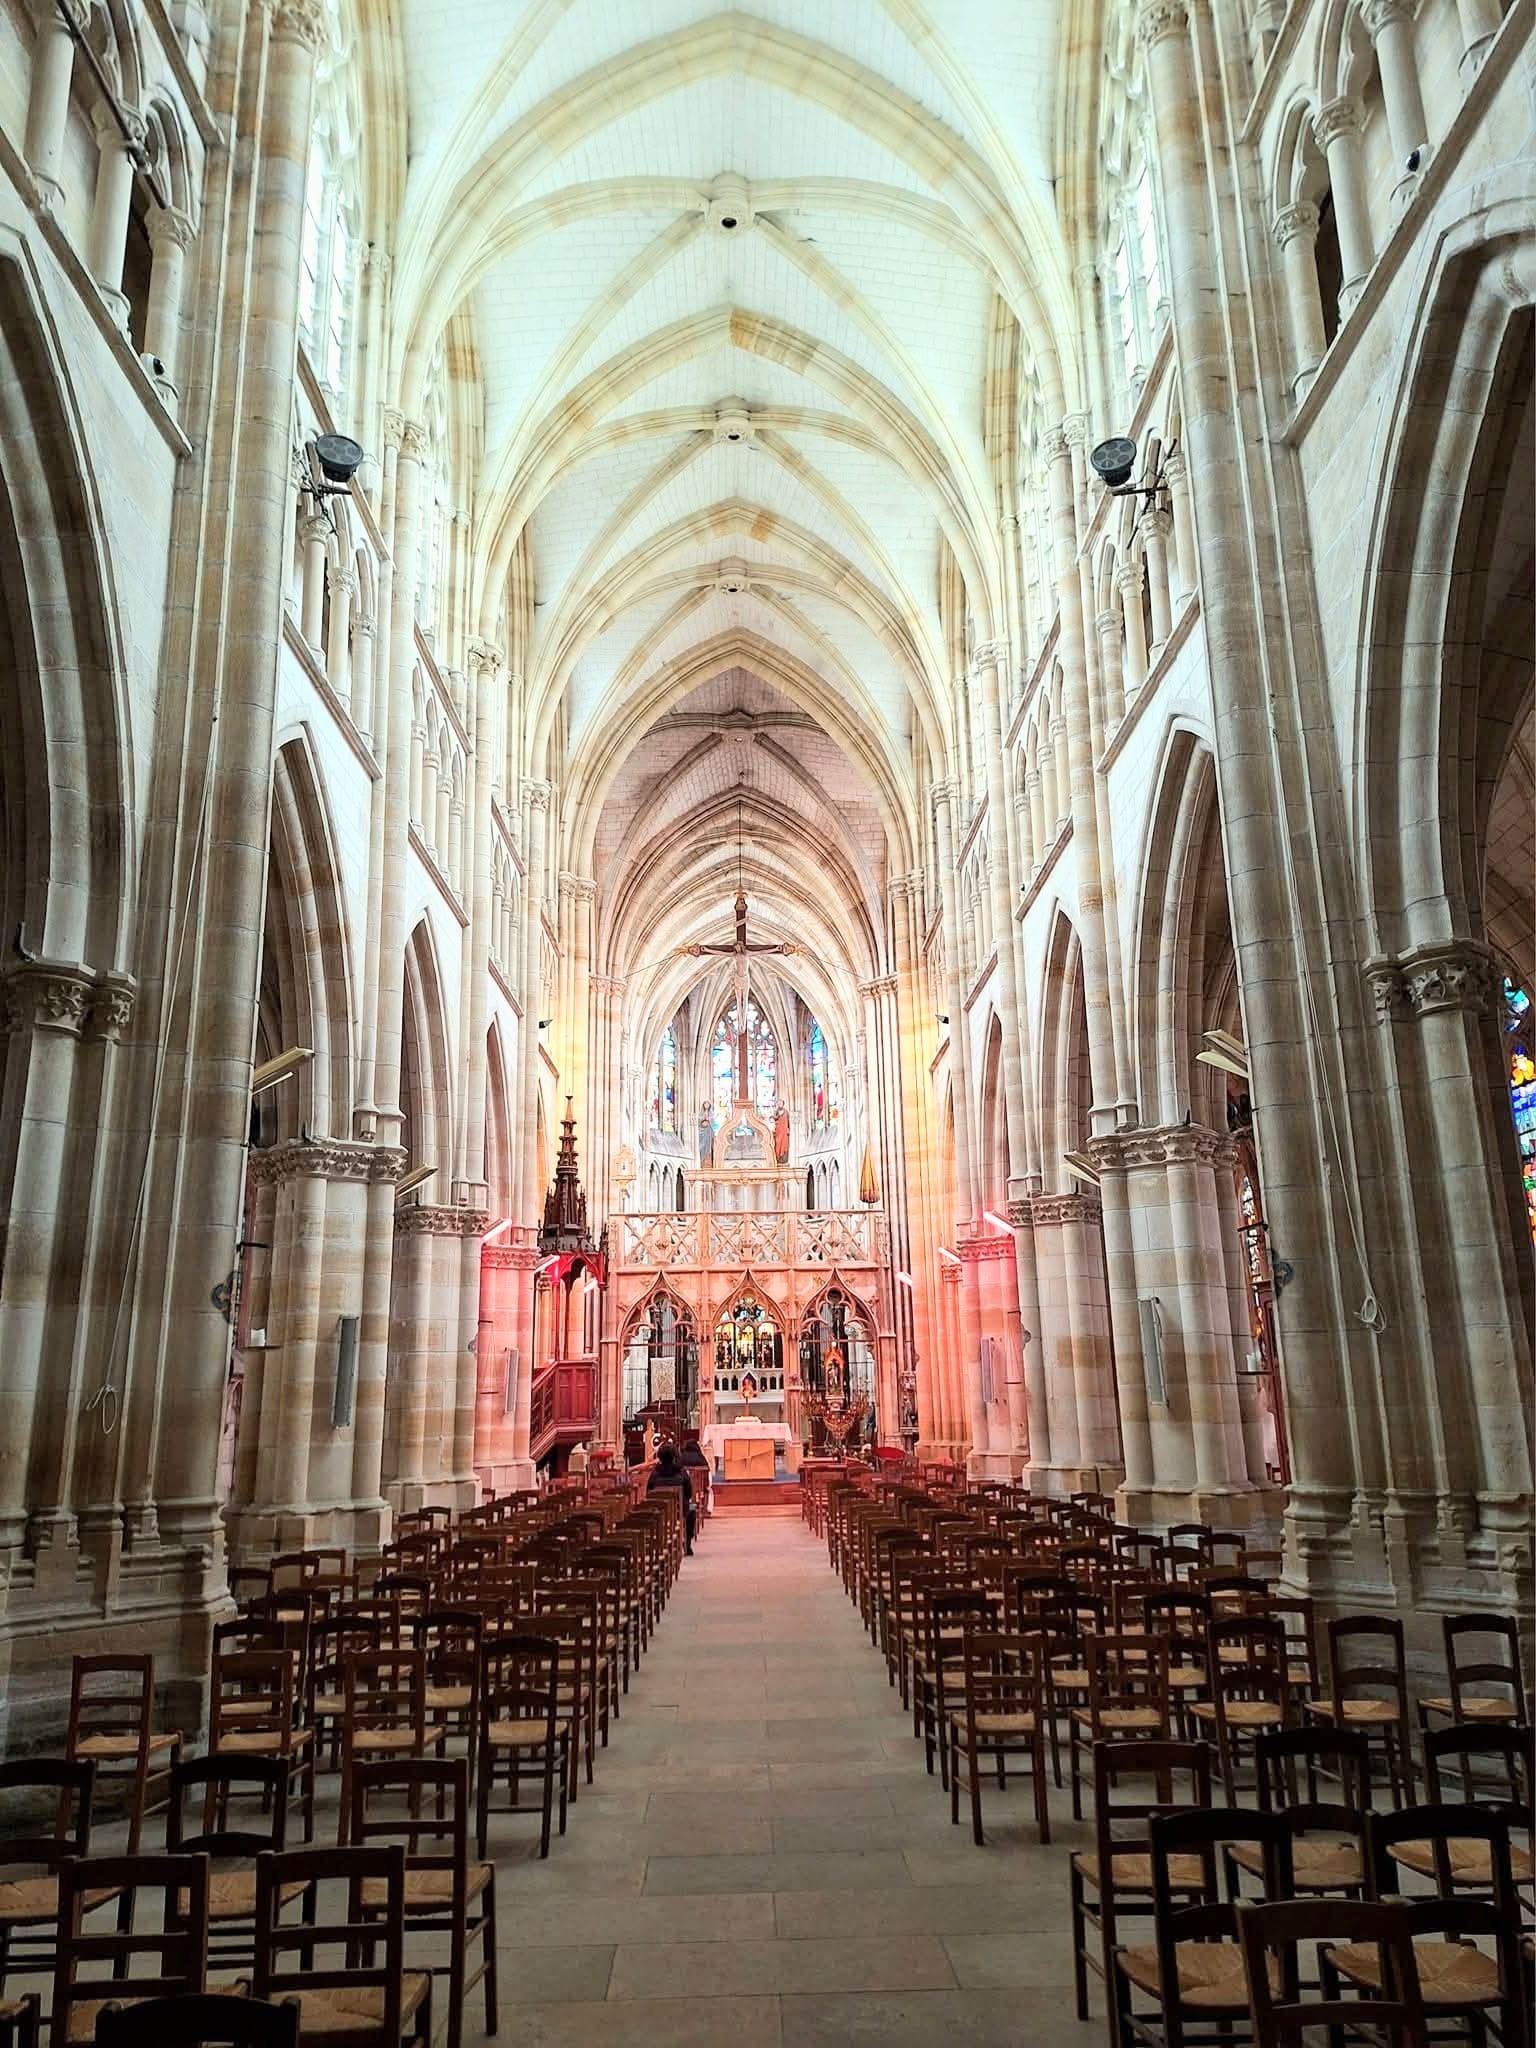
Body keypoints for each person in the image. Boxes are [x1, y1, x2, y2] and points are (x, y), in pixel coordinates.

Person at [647, 1443, 696, 1554]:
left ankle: (658, 1545)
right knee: (692, 1512)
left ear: (659, 1457)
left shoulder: (655, 1474)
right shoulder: (681, 1473)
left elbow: (649, 1492)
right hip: (680, 1511)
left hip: (658, 1511)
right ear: (674, 1457)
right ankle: (687, 1544)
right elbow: (689, 1493)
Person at [679, 1435, 712, 1525]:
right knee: (706, 1489)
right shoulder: (700, 1457)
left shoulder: (682, 1457)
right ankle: (704, 1510)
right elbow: (706, 1471)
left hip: (684, 1488)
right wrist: (705, 1484)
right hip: (699, 1487)